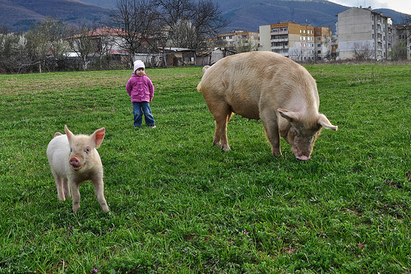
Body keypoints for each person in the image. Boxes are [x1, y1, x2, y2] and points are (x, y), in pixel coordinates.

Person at [126, 60, 156, 128]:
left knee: (147, 112)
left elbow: (151, 87)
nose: (141, 71)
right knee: (137, 113)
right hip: (135, 100)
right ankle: (137, 124)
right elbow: (128, 87)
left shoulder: (146, 79)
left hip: (145, 99)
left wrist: (151, 96)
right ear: (135, 71)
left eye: (142, 69)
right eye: (139, 70)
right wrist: (131, 94)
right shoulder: (131, 79)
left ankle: (151, 123)